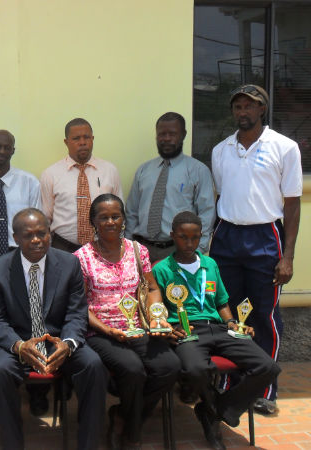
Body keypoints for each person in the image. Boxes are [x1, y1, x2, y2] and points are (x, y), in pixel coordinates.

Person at [153, 211, 281, 450]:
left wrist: (232, 322)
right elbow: (156, 305)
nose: (189, 244)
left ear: (201, 236)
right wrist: (168, 326)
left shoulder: (210, 264)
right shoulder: (162, 269)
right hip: (187, 330)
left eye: (194, 238)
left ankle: (217, 409)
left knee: (268, 367)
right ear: (173, 236)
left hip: (220, 328)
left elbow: (221, 302)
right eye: (183, 237)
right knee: (194, 369)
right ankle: (213, 408)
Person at [210, 84, 302, 414]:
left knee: (263, 316)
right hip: (227, 237)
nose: (243, 112)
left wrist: (287, 256)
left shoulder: (284, 147)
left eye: (249, 106)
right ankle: (229, 382)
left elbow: (292, 204)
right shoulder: (221, 150)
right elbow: (222, 196)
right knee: (227, 313)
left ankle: (265, 390)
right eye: (237, 107)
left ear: (262, 109)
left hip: (265, 238)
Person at [0, 208, 108, 450]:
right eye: (28, 235)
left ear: (50, 233)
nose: (37, 240)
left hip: (58, 339)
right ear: (16, 237)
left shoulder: (69, 263)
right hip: (17, 341)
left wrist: (69, 343)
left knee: (93, 366)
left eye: (42, 233)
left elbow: (76, 312)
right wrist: (19, 346)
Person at [74, 193, 180, 449]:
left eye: (115, 216)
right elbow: (78, 306)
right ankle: (132, 435)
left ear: (123, 219)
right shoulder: (82, 257)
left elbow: (152, 288)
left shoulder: (137, 250)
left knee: (169, 366)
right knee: (132, 370)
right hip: (100, 332)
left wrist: (156, 317)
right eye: (104, 217)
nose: (110, 221)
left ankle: (123, 416)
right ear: (93, 222)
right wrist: (107, 329)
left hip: (136, 327)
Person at [125, 112, 215, 263]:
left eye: (172, 134)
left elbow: (206, 214)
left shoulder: (198, 171)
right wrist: (128, 248)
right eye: (162, 134)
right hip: (142, 249)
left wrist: (196, 251)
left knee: (178, 288)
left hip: (179, 250)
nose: (166, 138)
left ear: (183, 135)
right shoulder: (143, 170)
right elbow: (132, 212)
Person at [40, 118, 122, 253]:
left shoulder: (109, 171)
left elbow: (119, 212)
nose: (82, 142)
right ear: (66, 142)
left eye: (87, 137)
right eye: (76, 138)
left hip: (102, 245)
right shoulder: (51, 174)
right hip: (63, 247)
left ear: (93, 139)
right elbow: (45, 217)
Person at [0, 129, 41, 258]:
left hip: (20, 251)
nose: (2, 151)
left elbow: (36, 223)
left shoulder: (30, 183)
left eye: (7, 148)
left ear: (13, 150)